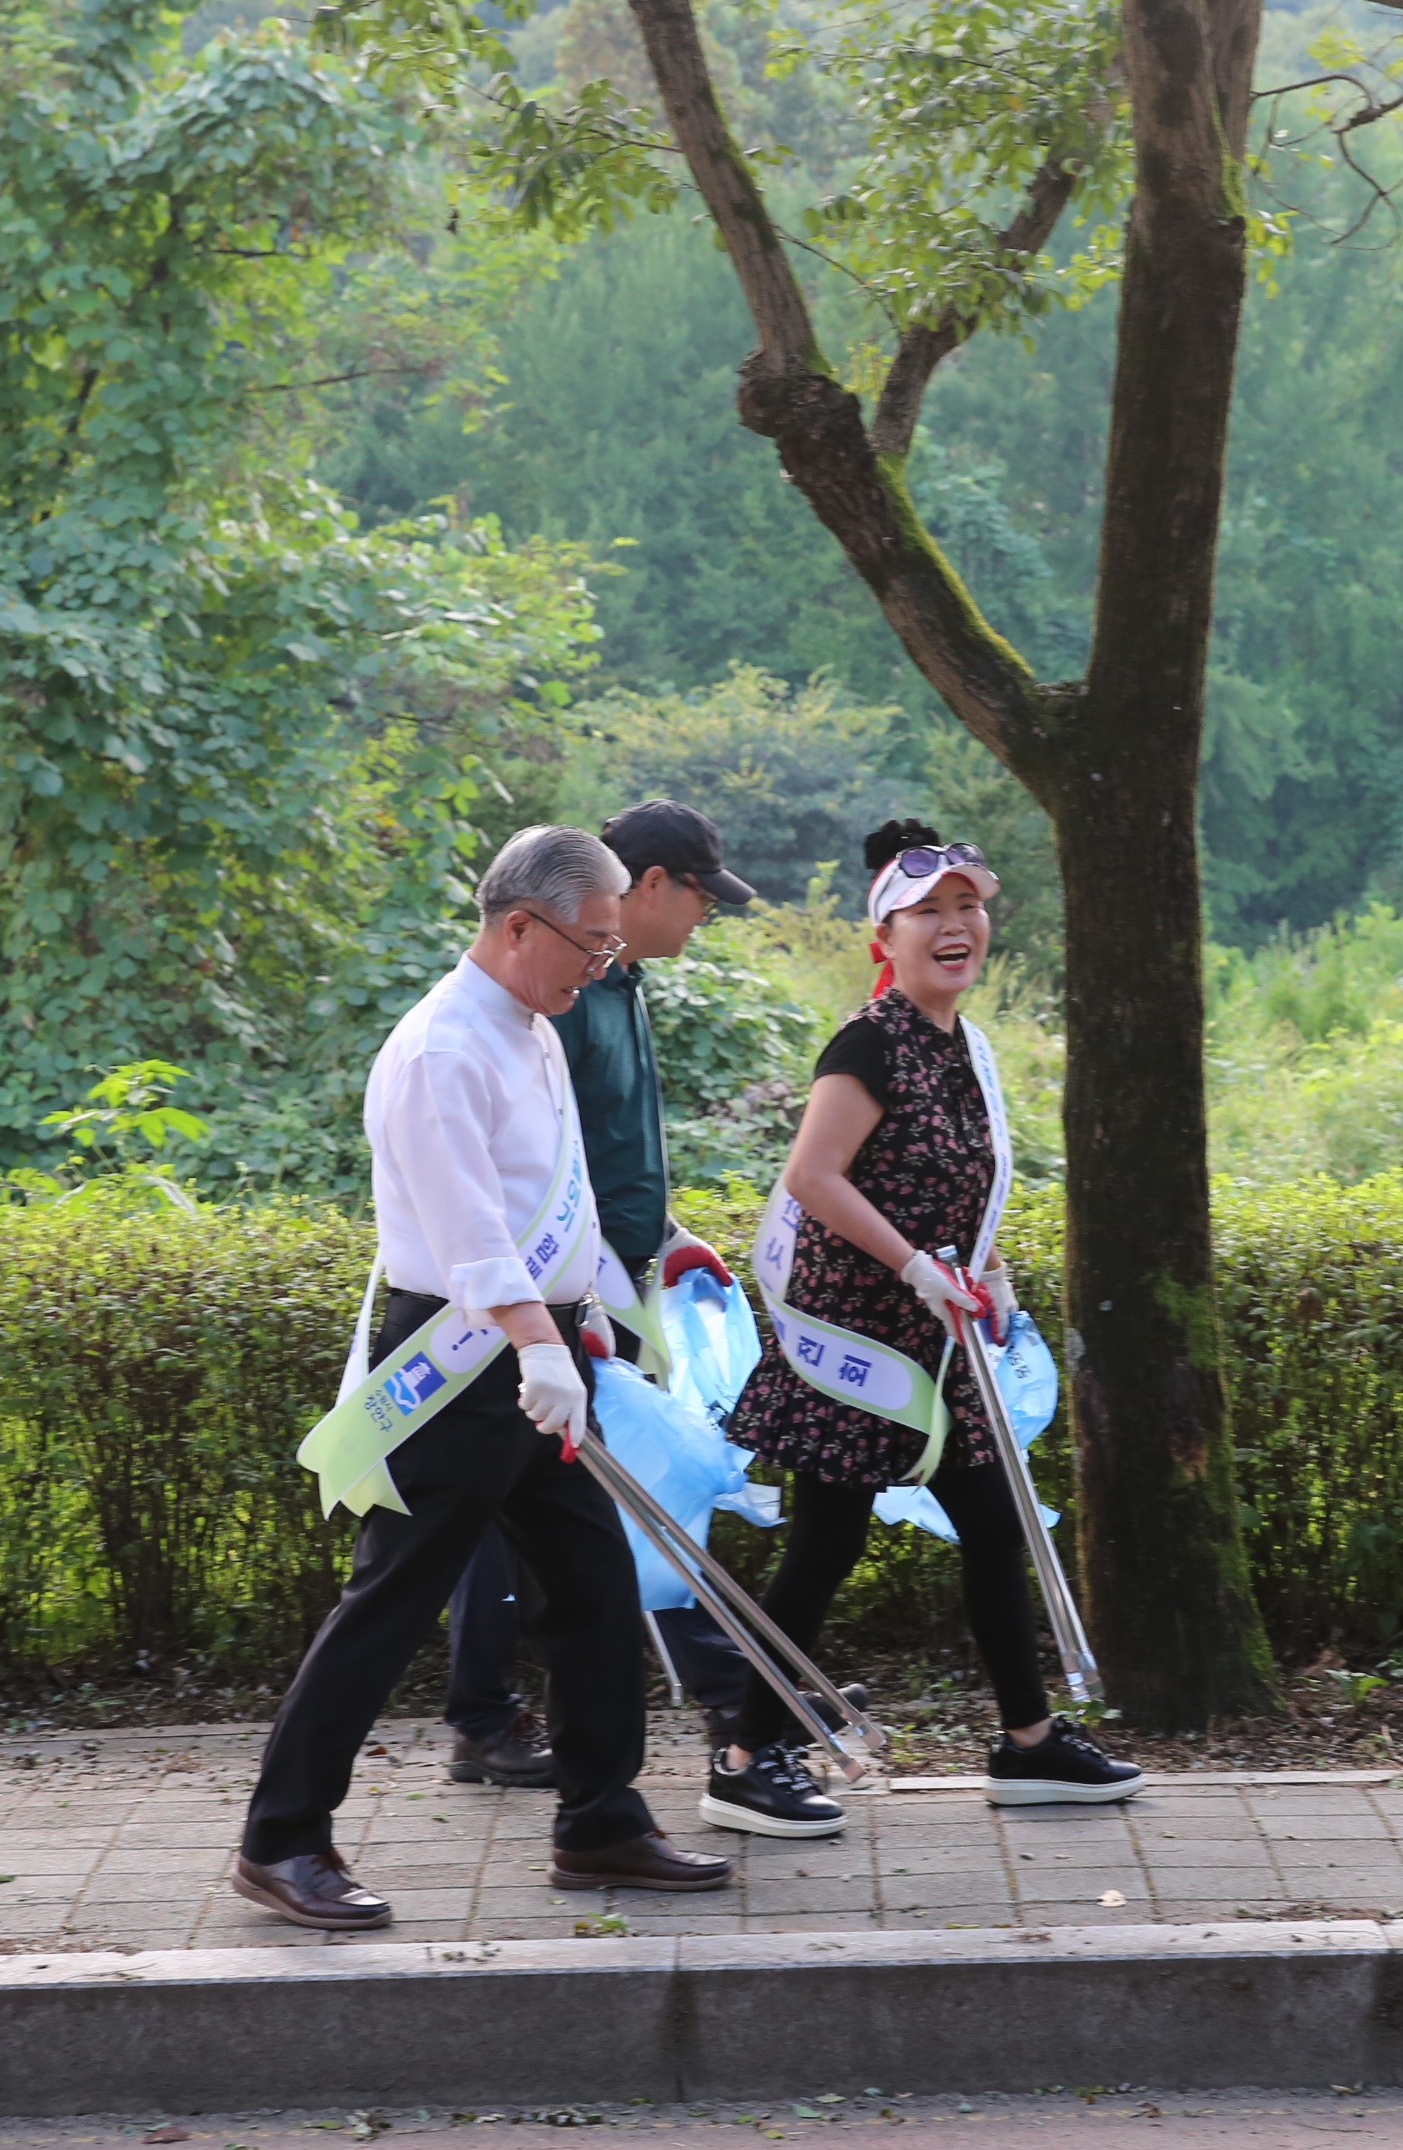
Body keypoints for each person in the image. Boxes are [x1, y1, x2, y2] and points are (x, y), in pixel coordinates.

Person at [231, 826, 732, 1930]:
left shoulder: (535, 1022)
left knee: (595, 1592)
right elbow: (466, 1227)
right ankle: (282, 1840)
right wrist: (537, 1341)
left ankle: (600, 1820)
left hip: (548, 1351)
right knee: (392, 1601)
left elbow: (557, 1185)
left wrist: (586, 1314)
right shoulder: (440, 1049)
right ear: (518, 926)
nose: (601, 965)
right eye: (590, 945)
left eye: (608, 948)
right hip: (462, 1358)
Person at [713, 817, 1141, 1826]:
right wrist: (911, 1264)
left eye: (969, 906)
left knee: (995, 1528)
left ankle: (1028, 1745)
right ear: (886, 939)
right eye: (929, 912)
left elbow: (958, 1195)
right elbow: (811, 1178)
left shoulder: (965, 1049)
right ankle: (741, 1757)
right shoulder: (868, 1043)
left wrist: (983, 1271)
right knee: (825, 1545)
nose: (957, 925)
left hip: (936, 1344)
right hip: (854, 1347)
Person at [436, 800, 766, 1798]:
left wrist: (665, 1235)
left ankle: (548, 1740)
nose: (701, 921)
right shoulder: (560, 993)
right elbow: (533, 1161)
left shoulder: (615, 987)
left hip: (598, 1282)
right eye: (701, 898)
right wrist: (560, 1310)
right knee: (551, 1502)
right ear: (653, 883)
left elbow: (609, 1148)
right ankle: (722, 1704)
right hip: (548, 1295)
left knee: (545, 1507)